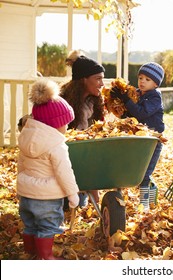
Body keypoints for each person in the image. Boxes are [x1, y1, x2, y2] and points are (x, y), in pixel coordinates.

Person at [17, 78, 80, 260]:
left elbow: (21, 165)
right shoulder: (56, 145)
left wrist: (19, 188)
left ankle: (30, 252)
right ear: (56, 123)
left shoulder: (25, 137)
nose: (67, 127)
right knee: (46, 226)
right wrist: (73, 194)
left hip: (27, 193)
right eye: (66, 123)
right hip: (47, 197)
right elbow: (64, 172)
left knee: (30, 225)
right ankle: (45, 256)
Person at [111, 62, 165, 212]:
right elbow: (130, 115)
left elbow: (141, 113)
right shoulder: (136, 94)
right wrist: (120, 100)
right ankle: (151, 189)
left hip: (153, 140)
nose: (142, 81)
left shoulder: (155, 97)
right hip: (139, 139)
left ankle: (144, 202)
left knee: (145, 172)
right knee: (138, 169)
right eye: (140, 77)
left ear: (155, 84)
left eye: (147, 79)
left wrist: (127, 100)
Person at [60, 50, 105, 207]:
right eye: (98, 79)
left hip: (86, 154)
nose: (102, 83)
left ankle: (89, 196)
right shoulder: (63, 101)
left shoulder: (93, 102)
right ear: (84, 79)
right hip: (65, 156)